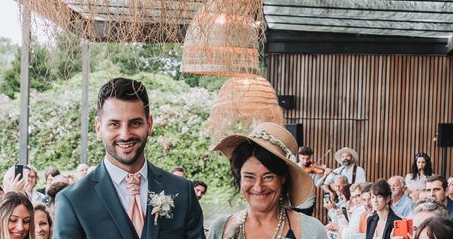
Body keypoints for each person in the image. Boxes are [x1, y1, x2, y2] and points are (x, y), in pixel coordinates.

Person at [54, 77, 205, 239]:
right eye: (114, 124)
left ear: (149, 124)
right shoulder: (73, 200)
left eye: (135, 123)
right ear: (98, 128)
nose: (125, 135)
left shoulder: (182, 191)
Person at [208, 122, 326, 239]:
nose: (258, 187)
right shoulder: (221, 228)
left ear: (283, 177)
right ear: (240, 178)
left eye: (268, 177)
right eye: (249, 177)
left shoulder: (312, 230)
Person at [296, 146, 331, 216]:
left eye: (307, 159)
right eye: (303, 158)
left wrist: (325, 175)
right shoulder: (294, 167)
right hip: (295, 202)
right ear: (299, 157)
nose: (305, 161)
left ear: (310, 157)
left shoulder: (314, 169)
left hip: (308, 202)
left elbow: (317, 184)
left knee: (305, 224)